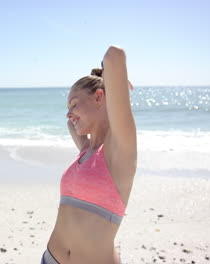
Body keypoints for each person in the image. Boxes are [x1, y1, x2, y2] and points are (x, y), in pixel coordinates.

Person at [42, 46, 137, 264]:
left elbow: (114, 55)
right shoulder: (86, 151)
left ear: (99, 97)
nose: (68, 112)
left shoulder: (119, 151)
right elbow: (69, 121)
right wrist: (78, 108)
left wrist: (111, 80)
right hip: (50, 259)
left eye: (74, 103)